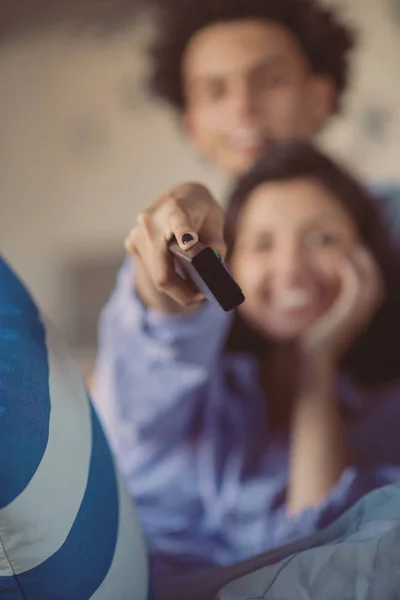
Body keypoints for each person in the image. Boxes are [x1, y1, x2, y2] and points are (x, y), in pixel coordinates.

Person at [94, 141, 400, 575]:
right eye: (261, 244)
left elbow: (324, 564)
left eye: (320, 238)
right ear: (231, 261)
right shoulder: (196, 382)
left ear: (367, 255)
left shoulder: (388, 411)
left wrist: (317, 366)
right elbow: (156, 351)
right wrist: (166, 245)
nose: (291, 269)